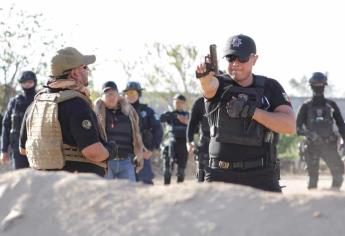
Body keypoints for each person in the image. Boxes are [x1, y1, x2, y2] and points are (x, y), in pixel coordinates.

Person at [195, 34, 296, 192]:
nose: (235, 64)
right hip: (220, 175)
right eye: (231, 58)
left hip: (261, 175)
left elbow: (289, 126)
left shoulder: (270, 87)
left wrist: (252, 111)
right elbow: (208, 87)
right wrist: (204, 76)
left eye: (242, 59)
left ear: (254, 59)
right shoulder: (219, 84)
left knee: (278, 216)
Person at [19, 47, 117, 177]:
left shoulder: (34, 105)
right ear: (75, 73)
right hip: (76, 188)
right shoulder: (77, 104)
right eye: (85, 67)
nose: (88, 71)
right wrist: (110, 150)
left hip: (43, 186)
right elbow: (93, 152)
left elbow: (23, 149)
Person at [296, 72, 345, 190]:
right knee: (313, 180)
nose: (319, 87)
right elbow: (298, 129)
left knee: (338, 176)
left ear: (324, 85)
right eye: (316, 84)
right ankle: (313, 205)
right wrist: (310, 134)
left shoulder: (331, 105)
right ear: (311, 86)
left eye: (321, 84)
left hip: (329, 145)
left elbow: (341, 125)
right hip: (312, 146)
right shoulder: (306, 106)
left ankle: (331, 200)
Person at [94, 81, 144, 181]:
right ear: (102, 96)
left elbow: (136, 135)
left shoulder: (129, 112)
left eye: (114, 94)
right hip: (105, 162)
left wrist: (139, 154)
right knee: (107, 195)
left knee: (129, 194)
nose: (111, 97)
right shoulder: (96, 113)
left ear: (118, 96)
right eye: (108, 94)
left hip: (126, 161)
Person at [123, 81, 163, 185]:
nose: (130, 95)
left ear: (139, 94)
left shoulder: (147, 111)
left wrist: (151, 149)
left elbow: (158, 130)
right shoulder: (120, 111)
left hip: (143, 154)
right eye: (128, 93)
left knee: (145, 184)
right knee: (124, 188)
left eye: (133, 93)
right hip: (124, 155)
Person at [1, 71, 37, 169]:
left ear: (34, 82)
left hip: (38, 147)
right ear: (20, 83)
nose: (27, 84)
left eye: (29, 81)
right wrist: (4, 150)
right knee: (20, 178)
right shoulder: (14, 102)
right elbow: (6, 125)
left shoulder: (40, 99)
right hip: (18, 148)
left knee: (38, 179)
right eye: (24, 82)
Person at [160, 94, 189, 184]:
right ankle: (166, 188)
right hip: (171, 143)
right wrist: (175, 116)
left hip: (183, 144)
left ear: (184, 104)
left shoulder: (188, 115)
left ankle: (179, 190)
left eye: (181, 102)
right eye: (176, 102)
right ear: (173, 102)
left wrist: (186, 122)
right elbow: (161, 119)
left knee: (181, 171)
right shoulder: (170, 114)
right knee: (168, 170)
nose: (178, 104)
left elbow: (195, 129)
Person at [187, 96, 210, 182]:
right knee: (201, 176)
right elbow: (192, 123)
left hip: (222, 143)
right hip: (205, 142)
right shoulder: (200, 102)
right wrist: (189, 142)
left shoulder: (225, 98)